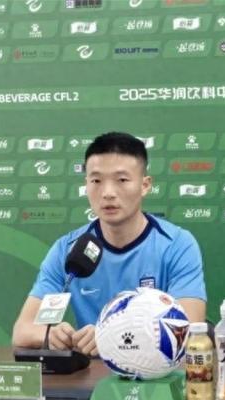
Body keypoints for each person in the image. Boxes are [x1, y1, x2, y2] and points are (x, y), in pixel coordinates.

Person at [12, 132, 207, 356]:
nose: (107, 193)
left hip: (156, 372)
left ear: (145, 185)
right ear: (86, 185)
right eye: (96, 181)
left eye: (122, 180)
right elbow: (23, 331)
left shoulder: (177, 244)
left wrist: (110, 337)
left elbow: (188, 328)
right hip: (92, 373)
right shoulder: (67, 249)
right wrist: (51, 335)